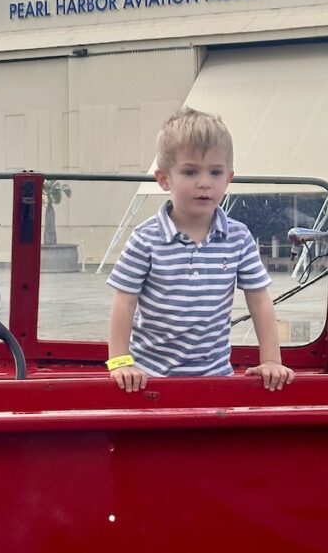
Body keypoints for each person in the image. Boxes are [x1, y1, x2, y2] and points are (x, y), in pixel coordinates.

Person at [106, 107, 294, 393]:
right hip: (148, 378)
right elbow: (124, 303)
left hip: (215, 376)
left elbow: (259, 301)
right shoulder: (146, 239)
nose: (204, 182)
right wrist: (121, 364)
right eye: (190, 171)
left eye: (215, 172)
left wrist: (270, 360)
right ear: (164, 179)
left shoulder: (238, 237)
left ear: (228, 178)